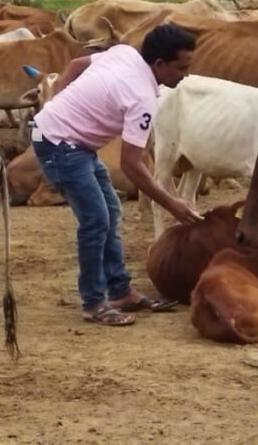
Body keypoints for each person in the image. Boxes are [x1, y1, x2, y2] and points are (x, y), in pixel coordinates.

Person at [31, 24, 203, 327]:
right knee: (96, 219)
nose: (185, 74)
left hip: (71, 141)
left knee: (109, 209)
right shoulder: (142, 98)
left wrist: (57, 99)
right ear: (160, 64)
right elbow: (132, 164)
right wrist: (172, 203)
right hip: (60, 144)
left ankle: (120, 291)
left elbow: (75, 64)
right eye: (181, 67)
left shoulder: (125, 53)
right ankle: (94, 302)